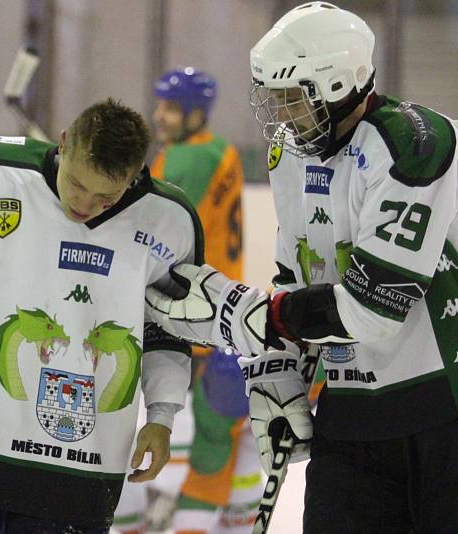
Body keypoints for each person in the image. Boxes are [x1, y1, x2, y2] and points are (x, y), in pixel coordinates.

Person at [147, 2, 458, 533]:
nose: (280, 113)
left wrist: (242, 315)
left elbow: (374, 307)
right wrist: (279, 375)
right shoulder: (291, 156)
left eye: (292, 98)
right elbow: (295, 280)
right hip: (350, 411)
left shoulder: (412, 145)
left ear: (339, 85)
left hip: (440, 413)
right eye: (275, 98)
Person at [0, 98, 204, 532]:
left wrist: (161, 418)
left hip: (77, 473)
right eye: (77, 185)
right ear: (63, 144)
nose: (85, 205)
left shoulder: (170, 221)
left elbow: (169, 328)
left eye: (107, 196)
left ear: (138, 171)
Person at [114, 68, 259, 534]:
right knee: (225, 433)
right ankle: (229, 522)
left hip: (185, 310)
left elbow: (152, 225)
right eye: (159, 106)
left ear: (197, 112)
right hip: (222, 307)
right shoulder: (223, 149)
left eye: (171, 109)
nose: (160, 116)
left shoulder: (185, 161)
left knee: (191, 424)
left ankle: (168, 517)